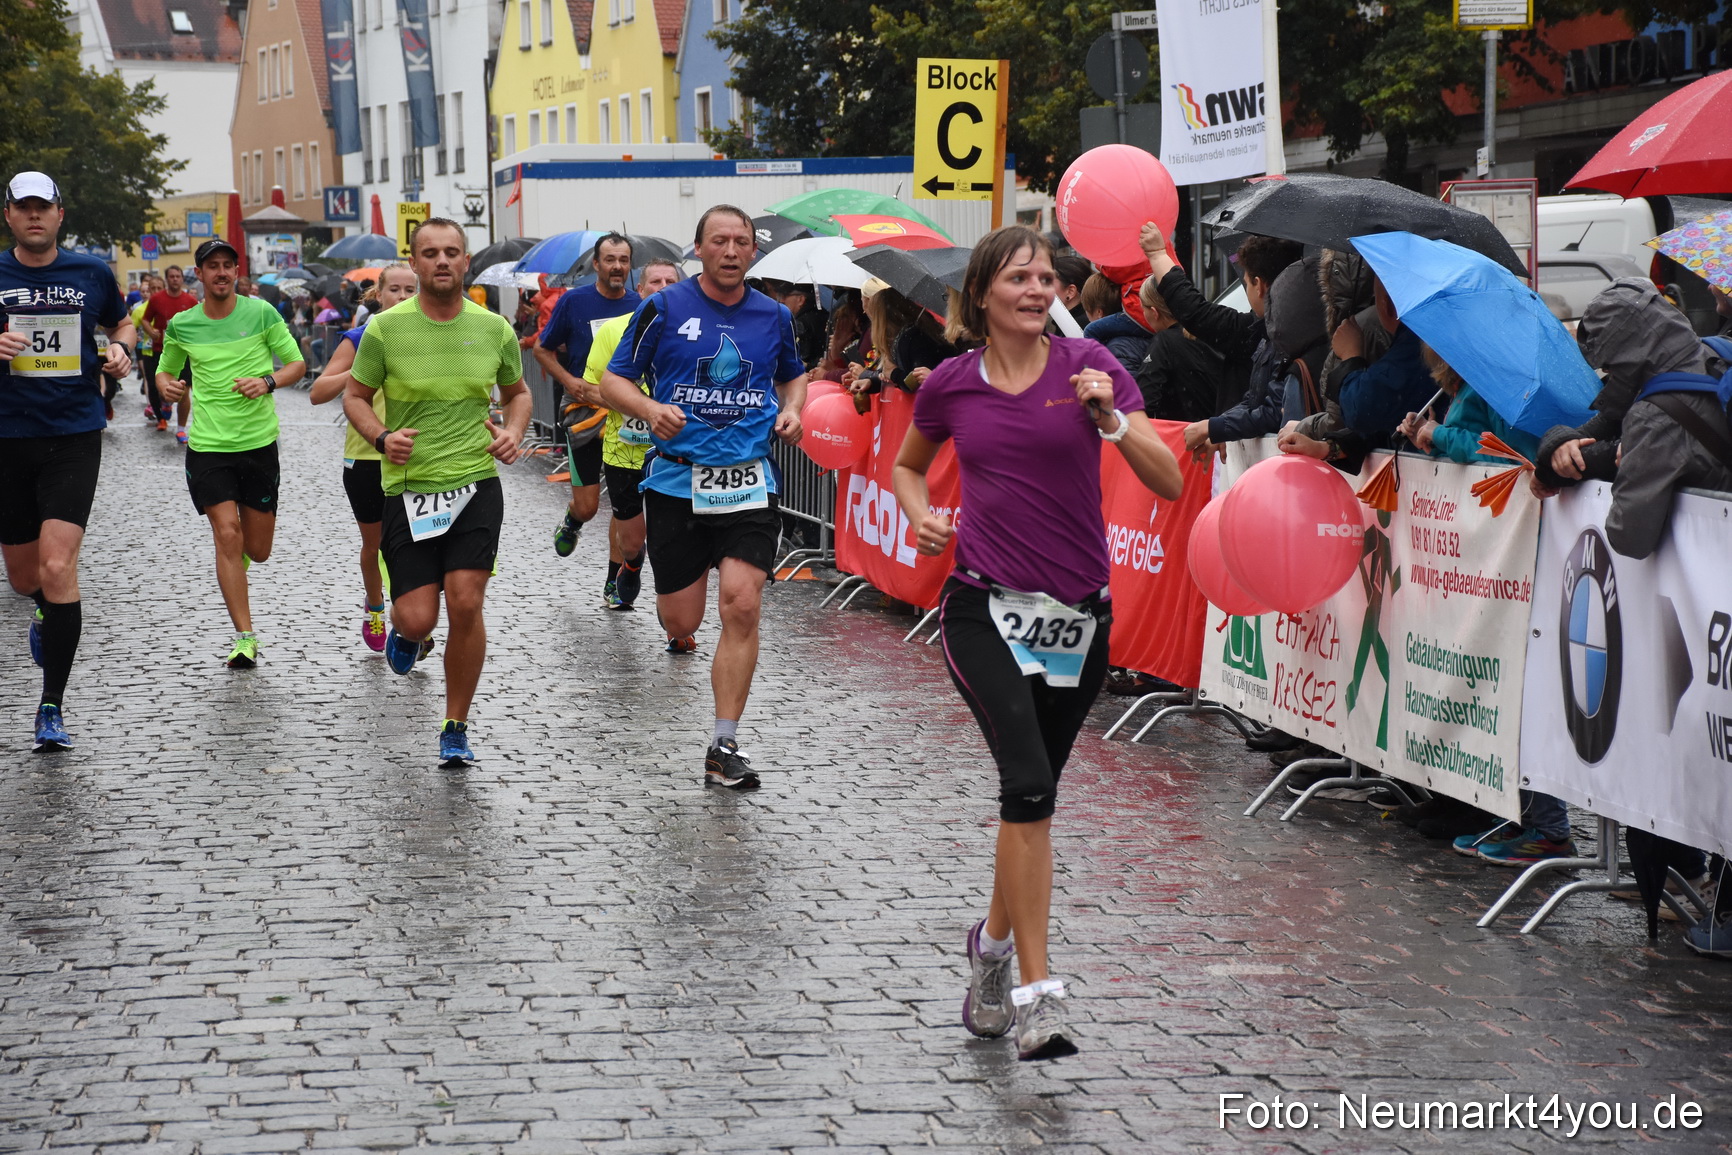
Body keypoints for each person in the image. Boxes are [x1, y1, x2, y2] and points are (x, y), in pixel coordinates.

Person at [892, 226, 1184, 1061]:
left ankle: (987, 947)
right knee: (1025, 782)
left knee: (1034, 801)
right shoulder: (951, 383)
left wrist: (1111, 421)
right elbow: (911, 466)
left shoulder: (1092, 373)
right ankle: (1037, 994)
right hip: (983, 607)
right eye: (1018, 276)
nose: (1035, 287)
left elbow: (1166, 479)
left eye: (1046, 276)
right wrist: (918, 515)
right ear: (982, 294)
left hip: (1078, 619)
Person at [599, 204, 808, 790]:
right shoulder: (663, 307)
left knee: (742, 603)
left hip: (748, 480)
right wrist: (648, 409)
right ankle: (654, 588)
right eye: (721, 240)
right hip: (675, 482)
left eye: (742, 241)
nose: (733, 250)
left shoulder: (772, 315)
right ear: (700, 249)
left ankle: (724, 742)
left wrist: (793, 409)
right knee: (681, 618)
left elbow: (795, 375)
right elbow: (615, 379)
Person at [345, 218, 531, 767]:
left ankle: (456, 725)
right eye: (430, 253)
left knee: (468, 602)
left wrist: (515, 431)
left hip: (475, 483)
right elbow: (355, 396)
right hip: (408, 489)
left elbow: (517, 394)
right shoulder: (386, 329)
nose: (442, 261)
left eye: (452, 252)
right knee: (419, 618)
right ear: (416, 261)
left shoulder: (493, 327)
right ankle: (407, 633)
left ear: (465, 259)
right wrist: (382, 436)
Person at [0, 171, 134, 751]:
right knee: (27, 576)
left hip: (73, 435)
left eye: (43, 207)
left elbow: (122, 322)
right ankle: (42, 613)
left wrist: (122, 349)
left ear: (60, 214)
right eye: (23, 207)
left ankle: (50, 705)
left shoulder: (91, 272)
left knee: (58, 569)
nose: (34, 216)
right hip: (7, 438)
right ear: (9, 215)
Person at [156, 240, 306, 667]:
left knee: (257, 550)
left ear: (237, 272)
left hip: (258, 444)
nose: (220, 273)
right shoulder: (183, 324)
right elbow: (168, 369)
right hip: (208, 446)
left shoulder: (260, 313)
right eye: (212, 267)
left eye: (227, 266)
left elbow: (295, 364)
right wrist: (167, 385)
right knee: (226, 534)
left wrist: (268, 382)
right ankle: (245, 636)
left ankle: (235, 562)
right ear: (198, 275)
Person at [309, 263, 420, 650]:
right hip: (366, 458)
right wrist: (362, 368)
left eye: (411, 291)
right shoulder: (357, 338)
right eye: (395, 291)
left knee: (410, 547)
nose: (403, 298)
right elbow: (318, 391)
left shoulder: (429, 338)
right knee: (376, 546)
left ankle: (409, 622)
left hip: (414, 458)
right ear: (378, 294)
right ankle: (375, 605)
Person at [582, 259, 683, 610]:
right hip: (623, 450)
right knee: (632, 541)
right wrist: (636, 403)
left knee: (671, 540)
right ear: (639, 291)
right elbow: (592, 387)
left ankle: (675, 619)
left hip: (672, 454)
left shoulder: (690, 332)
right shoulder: (614, 331)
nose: (663, 286)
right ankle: (630, 564)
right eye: (655, 281)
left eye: (671, 280)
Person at [535, 233, 639, 561]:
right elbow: (542, 348)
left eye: (623, 260)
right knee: (589, 506)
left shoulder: (639, 306)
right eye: (610, 260)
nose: (617, 266)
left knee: (624, 507)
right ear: (596, 264)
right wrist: (569, 380)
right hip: (584, 410)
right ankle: (572, 520)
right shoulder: (573, 301)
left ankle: (615, 579)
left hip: (624, 413)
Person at [142, 264, 200, 441]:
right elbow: (145, 319)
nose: (175, 279)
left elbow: (198, 324)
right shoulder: (157, 299)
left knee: (184, 391)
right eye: (172, 276)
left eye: (178, 276)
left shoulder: (190, 301)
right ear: (167, 279)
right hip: (162, 351)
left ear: (182, 279)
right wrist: (151, 331)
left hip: (185, 352)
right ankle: (165, 402)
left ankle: (181, 429)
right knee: (163, 389)